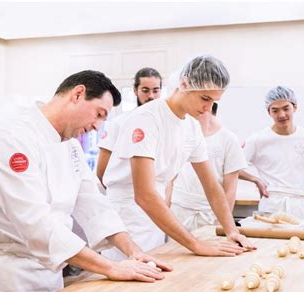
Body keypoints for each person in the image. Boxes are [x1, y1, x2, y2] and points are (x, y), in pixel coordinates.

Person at [0, 70, 171, 292]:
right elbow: (36, 225)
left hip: (49, 272)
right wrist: (110, 267)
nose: (97, 126)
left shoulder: (70, 147)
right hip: (5, 277)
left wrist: (133, 251)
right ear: (78, 94)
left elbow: (94, 205)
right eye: (99, 114)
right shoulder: (13, 138)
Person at [101, 55, 256, 259]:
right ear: (184, 84)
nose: (209, 108)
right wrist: (196, 244)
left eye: (214, 101)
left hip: (155, 218)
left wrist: (231, 231)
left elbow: (211, 185)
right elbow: (144, 195)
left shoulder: (191, 127)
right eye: (205, 98)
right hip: (126, 221)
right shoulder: (147, 119)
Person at [239, 86, 304, 229]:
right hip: (271, 202)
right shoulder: (258, 139)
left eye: (286, 108)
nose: (282, 114)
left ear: (295, 107)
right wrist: (256, 180)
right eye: (275, 110)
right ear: (269, 112)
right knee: (269, 247)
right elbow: (234, 167)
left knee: (298, 245)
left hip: (298, 202)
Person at [169, 102, 248, 231]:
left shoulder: (228, 139)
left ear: (208, 105)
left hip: (211, 215)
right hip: (179, 212)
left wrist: (223, 225)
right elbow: (170, 180)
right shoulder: (181, 134)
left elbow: (230, 190)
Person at [96, 67, 162, 185]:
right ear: (135, 90)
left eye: (156, 90)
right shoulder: (118, 123)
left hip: (157, 194)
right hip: (123, 198)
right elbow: (101, 171)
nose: (151, 96)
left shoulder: (165, 125)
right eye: (145, 90)